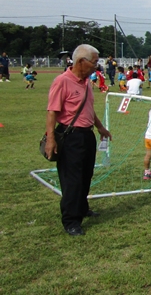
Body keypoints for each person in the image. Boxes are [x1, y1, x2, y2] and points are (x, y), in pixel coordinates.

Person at [45, 44, 112, 236]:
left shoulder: (86, 83)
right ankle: (71, 220)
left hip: (86, 134)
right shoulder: (62, 81)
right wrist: (51, 139)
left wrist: (100, 127)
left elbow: (88, 109)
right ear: (81, 62)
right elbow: (52, 112)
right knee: (72, 179)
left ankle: (82, 208)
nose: (96, 66)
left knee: (85, 174)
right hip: (70, 135)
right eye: (94, 62)